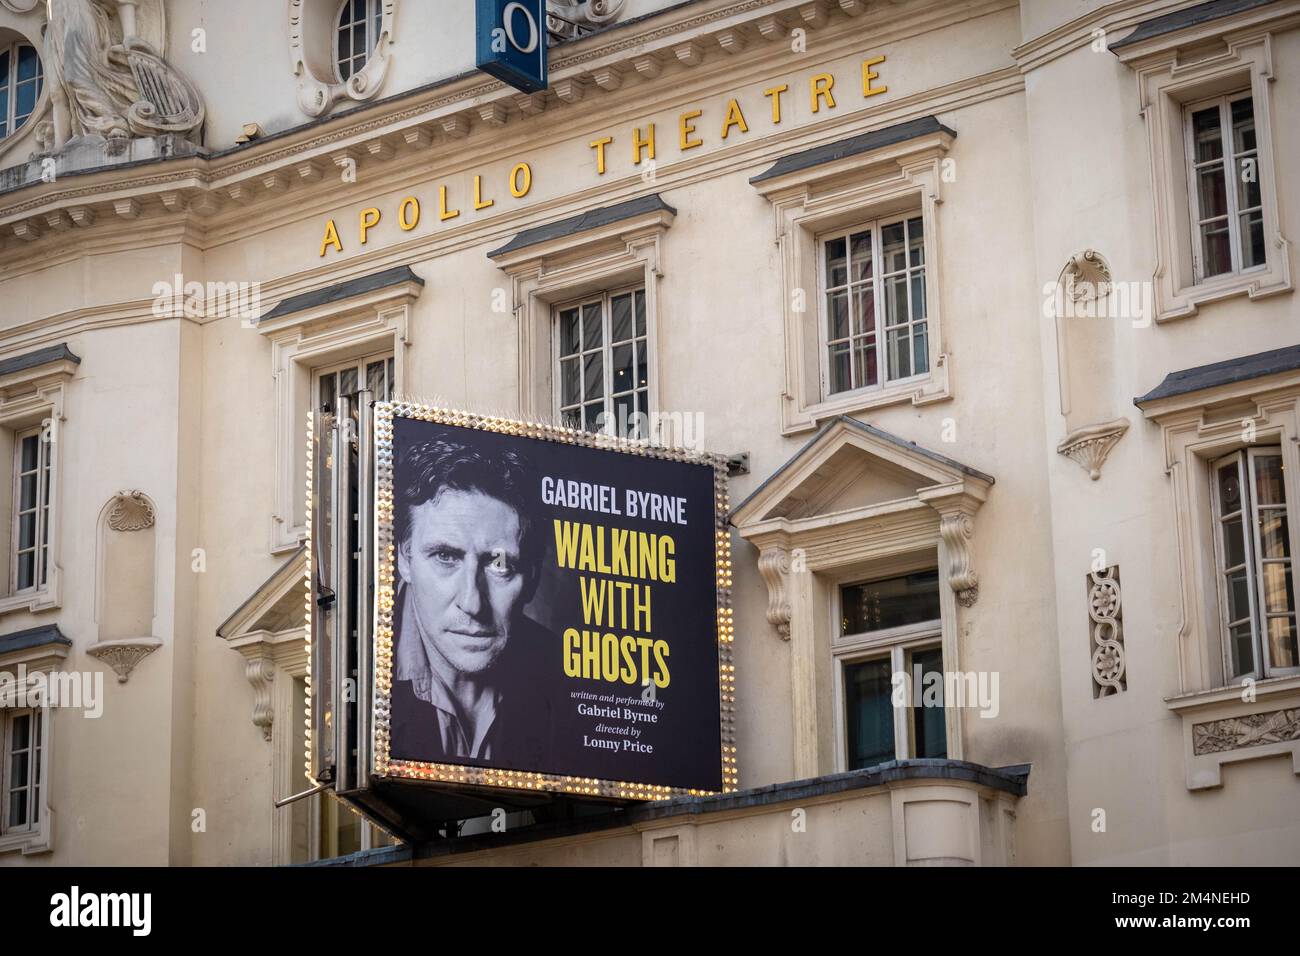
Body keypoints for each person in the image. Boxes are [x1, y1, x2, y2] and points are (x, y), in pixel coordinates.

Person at [389, 434, 555, 771]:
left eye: (499, 565)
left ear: (533, 577)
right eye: (446, 557)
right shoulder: (355, 669)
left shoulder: (566, 674)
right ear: (404, 560)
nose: (472, 603)